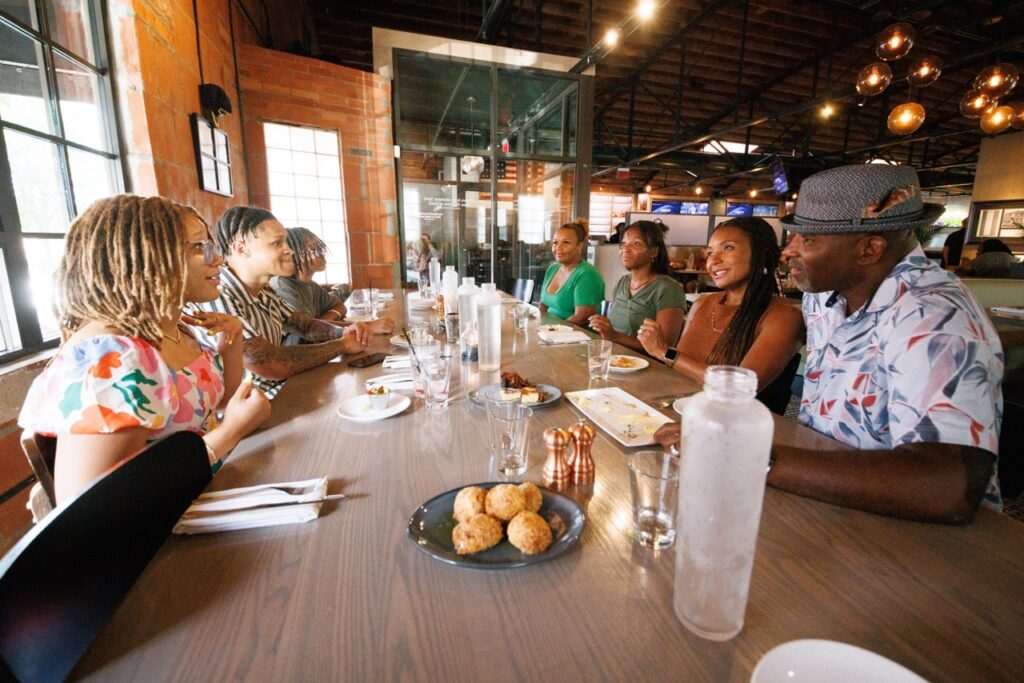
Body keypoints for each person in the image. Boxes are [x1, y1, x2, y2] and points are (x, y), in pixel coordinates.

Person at [715, 164, 1000, 524]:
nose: (788, 252)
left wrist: (749, 457)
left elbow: (945, 487)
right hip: (828, 505)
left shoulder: (934, 318)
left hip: (917, 540)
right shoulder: (822, 295)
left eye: (808, 240)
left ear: (869, 249)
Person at [18, 195, 271, 503]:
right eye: (197, 247)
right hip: (168, 537)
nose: (216, 258)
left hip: (211, 494)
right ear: (145, 257)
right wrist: (229, 432)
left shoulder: (178, 329)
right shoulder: (111, 359)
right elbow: (90, 509)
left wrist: (232, 341)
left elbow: (222, 406)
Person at [200, 207, 389, 399]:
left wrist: (348, 332)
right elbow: (271, 365)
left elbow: (304, 325)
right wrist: (342, 344)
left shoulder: (264, 290)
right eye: (276, 243)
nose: (289, 250)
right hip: (251, 411)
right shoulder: (219, 294)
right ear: (241, 249)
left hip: (282, 393)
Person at [638, 217, 804, 414]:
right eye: (710, 253)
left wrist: (665, 351)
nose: (713, 261)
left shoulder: (784, 317)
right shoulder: (701, 304)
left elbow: (739, 387)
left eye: (727, 248)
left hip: (731, 429)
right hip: (678, 411)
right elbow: (676, 368)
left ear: (762, 253)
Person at [587, 220, 686, 353]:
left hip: (648, 368)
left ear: (653, 252)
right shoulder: (622, 283)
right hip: (616, 359)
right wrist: (603, 328)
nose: (625, 250)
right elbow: (612, 331)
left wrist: (614, 336)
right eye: (623, 244)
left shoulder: (668, 289)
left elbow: (665, 348)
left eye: (636, 244)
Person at [271, 227, 347, 345]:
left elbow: (339, 306)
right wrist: (317, 326)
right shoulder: (283, 286)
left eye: (320, 247)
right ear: (293, 253)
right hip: (297, 355)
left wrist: (321, 323)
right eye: (314, 249)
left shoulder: (311, 286)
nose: (322, 254)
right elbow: (305, 334)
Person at [538, 219, 605, 325]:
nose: (558, 248)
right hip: (550, 332)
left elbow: (582, 318)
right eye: (555, 242)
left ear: (579, 246)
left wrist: (553, 332)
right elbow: (543, 304)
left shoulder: (587, 274)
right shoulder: (553, 268)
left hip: (577, 336)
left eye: (566, 242)